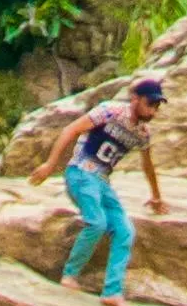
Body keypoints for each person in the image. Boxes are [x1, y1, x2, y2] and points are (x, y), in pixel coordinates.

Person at [27, 69, 169, 293]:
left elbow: (148, 165)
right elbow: (70, 130)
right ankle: (70, 275)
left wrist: (156, 196)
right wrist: (50, 164)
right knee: (97, 223)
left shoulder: (142, 133)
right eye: (149, 104)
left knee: (125, 231)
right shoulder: (110, 111)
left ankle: (112, 292)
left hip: (102, 182)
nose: (153, 111)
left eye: (156, 107)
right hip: (81, 173)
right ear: (135, 99)